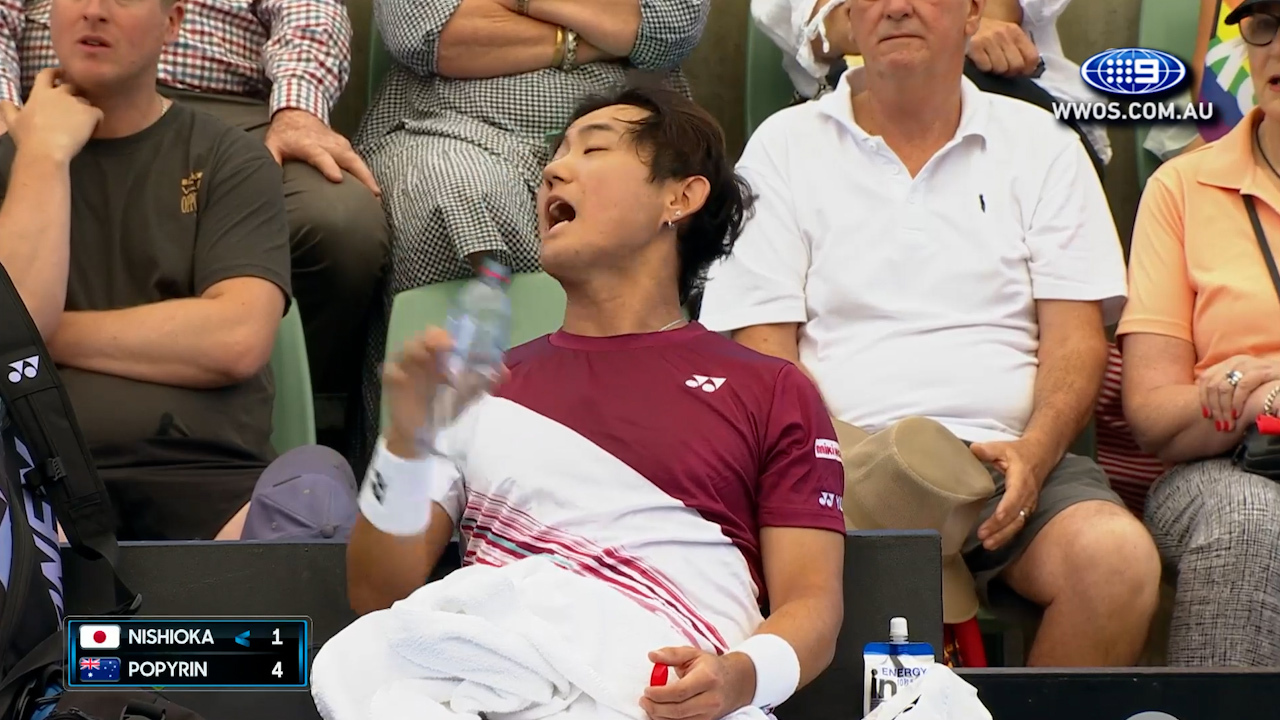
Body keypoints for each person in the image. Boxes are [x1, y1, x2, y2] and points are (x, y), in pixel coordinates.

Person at [337, 86, 845, 720]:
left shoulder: (772, 389)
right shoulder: (478, 386)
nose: (554, 169)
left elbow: (814, 607)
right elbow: (375, 593)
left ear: (679, 197)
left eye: (594, 148)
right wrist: (405, 444)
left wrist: (739, 678)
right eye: (555, 154)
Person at [699, 0, 1162, 667]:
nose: (898, 6)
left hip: (1009, 469)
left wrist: (1035, 453)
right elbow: (763, 347)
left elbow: (1077, 340)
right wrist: (844, 463)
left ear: (975, 13)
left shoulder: (1043, 144)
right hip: (840, 467)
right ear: (850, 18)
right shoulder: (784, 145)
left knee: (1115, 562)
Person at [0, 0, 355, 541]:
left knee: (318, 491)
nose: (94, 11)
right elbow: (11, 326)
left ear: (173, 21)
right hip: (36, 488)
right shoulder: (10, 163)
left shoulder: (231, 159)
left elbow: (236, 337)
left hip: (215, 488)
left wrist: (48, 334)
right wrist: (43, 154)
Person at [351, 0, 710, 468]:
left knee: (649, 196)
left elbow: (667, 27)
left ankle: (631, 452)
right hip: (449, 126)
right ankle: (440, 474)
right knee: (455, 195)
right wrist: (601, 38)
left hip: (629, 125)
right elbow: (428, 34)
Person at [1119, 0, 1280, 668]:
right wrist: (1255, 398)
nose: (1278, 45)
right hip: (1222, 469)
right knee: (1250, 524)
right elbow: (1153, 414)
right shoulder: (1180, 187)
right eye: (1265, 23)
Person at [751, 0, 1108, 173]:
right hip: (843, 118)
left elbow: (993, 21)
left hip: (1006, 97)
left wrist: (951, 30)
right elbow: (822, 29)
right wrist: (931, 28)